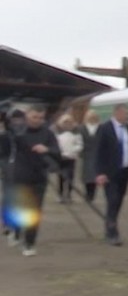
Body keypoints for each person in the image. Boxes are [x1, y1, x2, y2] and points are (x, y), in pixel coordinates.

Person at [5, 106, 61, 256]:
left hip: (39, 177)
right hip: (21, 176)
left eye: (40, 118)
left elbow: (57, 152)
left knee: (35, 211)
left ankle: (29, 243)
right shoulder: (18, 132)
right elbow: (6, 144)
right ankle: (16, 231)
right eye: (34, 117)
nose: (37, 121)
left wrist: (47, 149)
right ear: (27, 117)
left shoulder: (48, 133)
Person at [94, 103, 128, 246]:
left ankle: (110, 227)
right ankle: (112, 233)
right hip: (109, 173)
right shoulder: (104, 128)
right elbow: (98, 152)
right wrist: (100, 173)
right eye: (126, 113)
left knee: (118, 202)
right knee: (112, 201)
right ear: (117, 113)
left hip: (124, 172)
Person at [1, 107, 25, 245]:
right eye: (15, 119)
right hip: (8, 171)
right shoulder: (5, 135)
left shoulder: (25, 134)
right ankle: (8, 225)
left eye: (20, 119)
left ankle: (17, 229)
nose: (18, 122)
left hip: (23, 171)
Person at [54, 114, 83, 203]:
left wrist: (73, 150)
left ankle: (69, 195)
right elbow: (55, 146)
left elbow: (80, 145)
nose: (67, 125)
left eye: (69, 123)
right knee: (60, 177)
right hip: (61, 158)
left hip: (71, 158)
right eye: (65, 123)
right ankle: (60, 195)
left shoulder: (76, 135)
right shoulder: (57, 135)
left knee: (70, 177)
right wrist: (60, 153)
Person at [77, 110, 101, 204]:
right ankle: (87, 193)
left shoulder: (100, 127)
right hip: (86, 154)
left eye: (93, 116)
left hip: (97, 154)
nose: (92, 118)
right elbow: (78, 140)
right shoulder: (81, 128)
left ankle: (92, 195)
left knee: (94, 175)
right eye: (90, 116)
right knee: (86, 176)